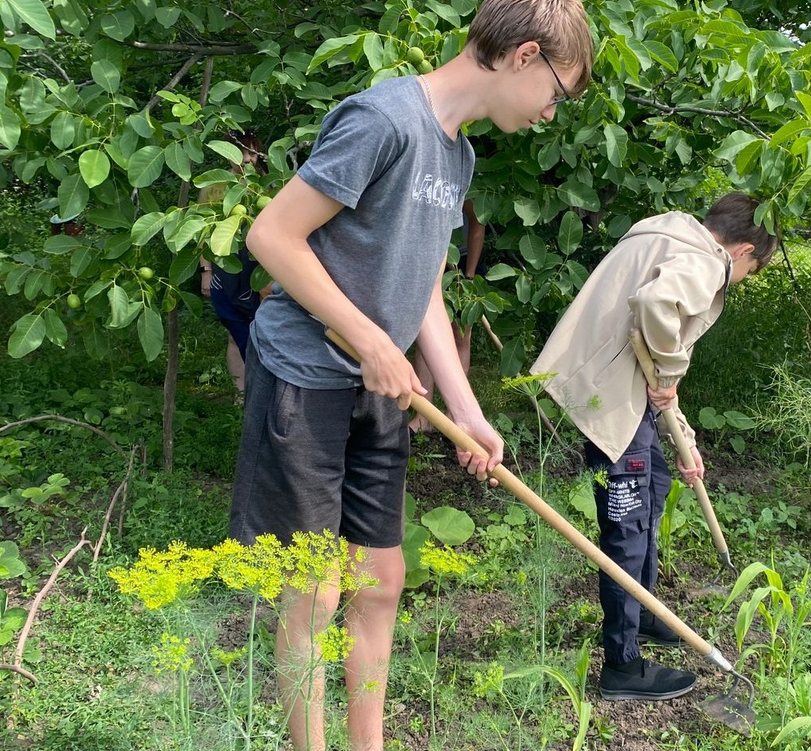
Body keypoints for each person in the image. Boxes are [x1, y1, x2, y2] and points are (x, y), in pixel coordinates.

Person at [231, 1, 593, 749]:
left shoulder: (455, 154)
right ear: (525, 56)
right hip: (307, 373)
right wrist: (368, 338)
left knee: (381, 581)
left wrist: (466, 411)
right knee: (316, 590)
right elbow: (272, 235)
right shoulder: (383, 120)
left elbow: (422, 284)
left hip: (380, 386)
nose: (553, 112)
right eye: (558, 93)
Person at [531, 192, 779, 701]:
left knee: (657, 484)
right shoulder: (704, 262)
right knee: (627, 529)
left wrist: (684, 437)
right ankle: (621, 664)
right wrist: (671, 372)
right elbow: (655, 312)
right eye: (751, 271)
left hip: (612, 387)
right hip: (611, 401)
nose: (742, 279)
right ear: (745, 251)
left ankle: (643, 612)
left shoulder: (668, 235)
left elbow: (656, 372)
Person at [199, 132, 271, 395]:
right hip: (227, 268)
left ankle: (264, 389)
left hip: (261, 269)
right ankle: (241, 392)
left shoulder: (268, 186)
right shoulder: (213, 186)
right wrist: (205, 270)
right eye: (241, 152)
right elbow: (203, 232)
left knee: (263, 329)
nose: (247, 158)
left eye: (252, 152)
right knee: (233, 330)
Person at [410, 198, 486, 433]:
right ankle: (424, 416)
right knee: (428, 334)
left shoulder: (468, 184)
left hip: (464, 261)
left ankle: (457, 415)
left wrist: (469, 276)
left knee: (460, 334)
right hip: (433, 256)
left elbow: (477, 224)